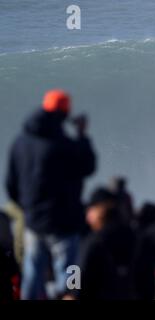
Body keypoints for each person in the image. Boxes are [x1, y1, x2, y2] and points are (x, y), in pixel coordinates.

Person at [5, 89, 96, 299]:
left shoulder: (20, 142)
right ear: (64, 113)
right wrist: (82, 135)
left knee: (32, 275)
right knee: (72, 274)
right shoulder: (63, 145)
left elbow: (10, 184)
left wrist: (28, 208)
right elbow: (88, 165)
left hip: (34, 222)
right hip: (64, 223)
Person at [76, 187, 136, 300]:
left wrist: (70, 293)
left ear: (98, 210)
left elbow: (76, 277)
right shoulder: (134, 238)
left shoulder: (92, 241)